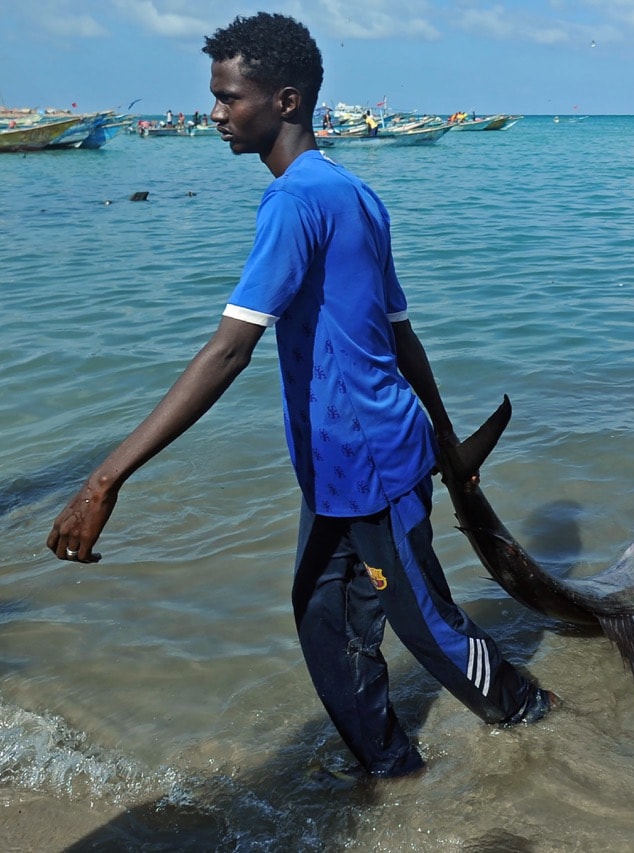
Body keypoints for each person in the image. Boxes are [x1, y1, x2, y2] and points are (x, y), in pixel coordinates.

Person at [46, 11, 555, 781]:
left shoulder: (295, 202)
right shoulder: (355, 193)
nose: (215, 113)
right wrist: (448, 445)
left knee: (428, 626)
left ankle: (535, 718)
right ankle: (389, 766)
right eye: (214, 97)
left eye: (229, 97)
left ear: (285, 101)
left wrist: (103, 478)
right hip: (339, 466)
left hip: (374, 462)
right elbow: (403, 337)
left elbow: (228, 351)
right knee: (323, 618)